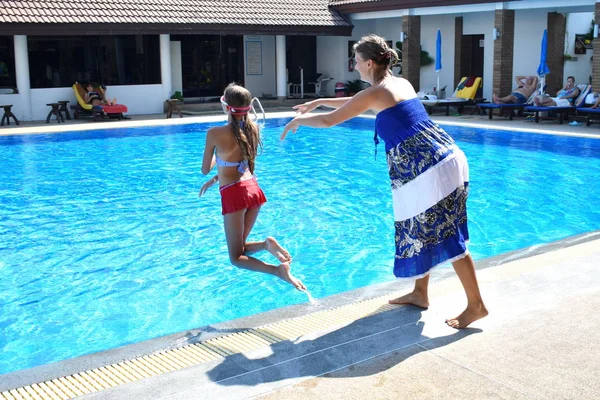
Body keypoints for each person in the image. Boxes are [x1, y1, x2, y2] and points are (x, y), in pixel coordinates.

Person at [280, 34, 487, 329]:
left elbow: (332, 120)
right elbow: (361, 101)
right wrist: (320, 101)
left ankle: (476, 305)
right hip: (442, 158)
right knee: (419, 226)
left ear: (368, 62)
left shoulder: (376, 92)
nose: (354, 66)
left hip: (429, 168)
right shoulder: (398, 83)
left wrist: (298, 120)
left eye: (355, 61)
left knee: (445, 234)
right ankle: (420, 293)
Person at [199, 83, 306, 291]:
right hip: (253, 190)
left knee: (236, 258)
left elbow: (205, 168)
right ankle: (267, 245)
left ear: (227, 107)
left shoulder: (215, 133)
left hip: (234, 194)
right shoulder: (253, 128)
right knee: (241, 249)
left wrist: (213, 163)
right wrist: (215, 179)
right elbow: (240, 163)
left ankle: (277, 269)